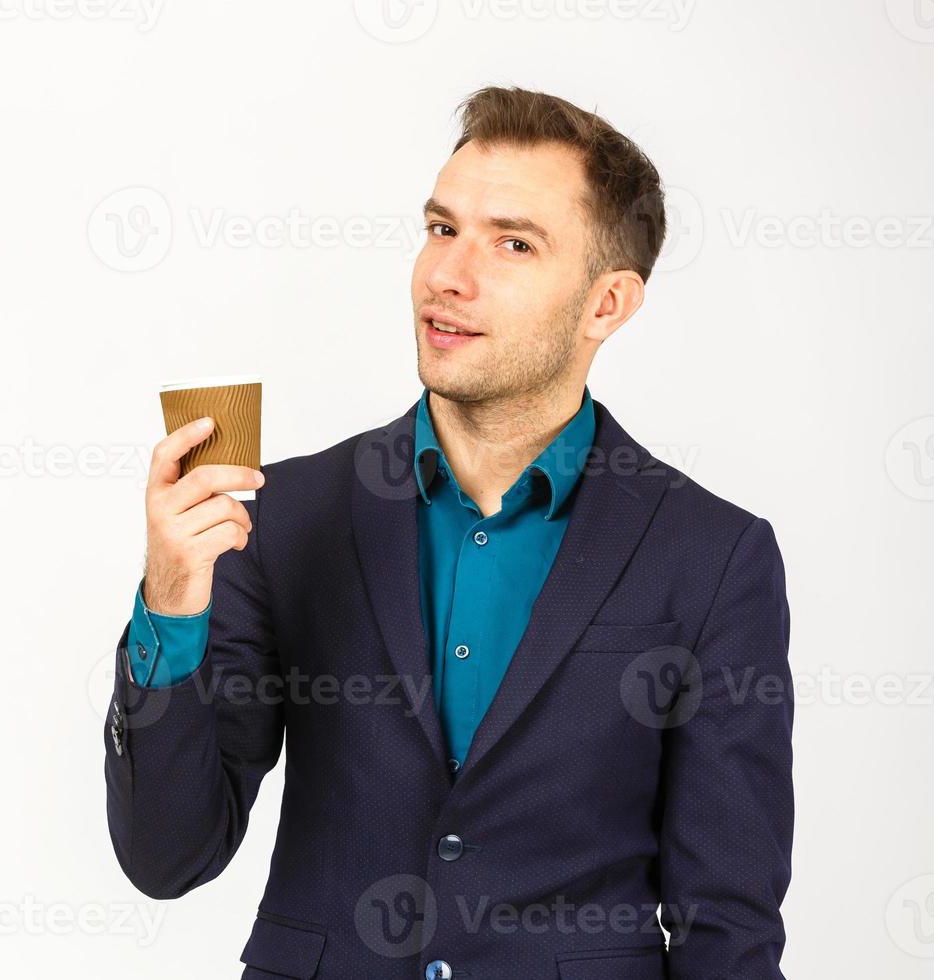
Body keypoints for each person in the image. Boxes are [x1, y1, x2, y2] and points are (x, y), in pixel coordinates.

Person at [102, 85, 793, 980]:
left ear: (608, 304)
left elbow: (728, 934)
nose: (448, 276)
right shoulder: (290, 515)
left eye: (513, 243)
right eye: (440, 229)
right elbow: (167, 855)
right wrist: (172, 608)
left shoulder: (712, 557)